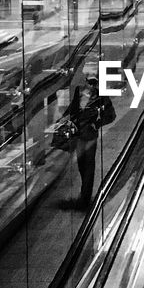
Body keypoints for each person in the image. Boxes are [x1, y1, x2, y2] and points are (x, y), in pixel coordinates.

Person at [62, 76, 114, 208]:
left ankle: (85, 198)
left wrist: (96, 125)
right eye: (88, 82)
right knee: (81, 164)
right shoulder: (78, 92)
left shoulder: (101, 96)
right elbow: (72, 110)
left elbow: (111, 115)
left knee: (89, 166)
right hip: (79, 135)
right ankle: (84, 194)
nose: (90, 85)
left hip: (90, 136)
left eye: (94, 82)